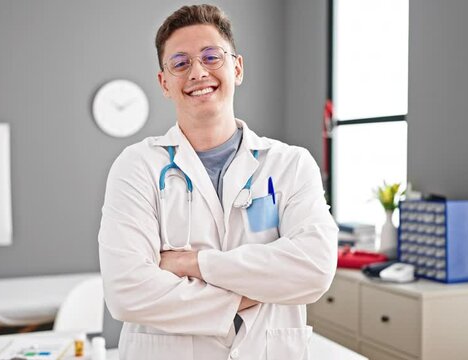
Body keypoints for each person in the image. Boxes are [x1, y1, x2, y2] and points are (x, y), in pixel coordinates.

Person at [99, 4, 338, 359]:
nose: (197, 71)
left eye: (212, 57)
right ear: (164, 83)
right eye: (180, 63)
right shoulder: (136, 167)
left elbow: (314, 269)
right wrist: (250, 293)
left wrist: (193, 264)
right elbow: (127, 292)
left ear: (237, 68)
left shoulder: (291, 164)